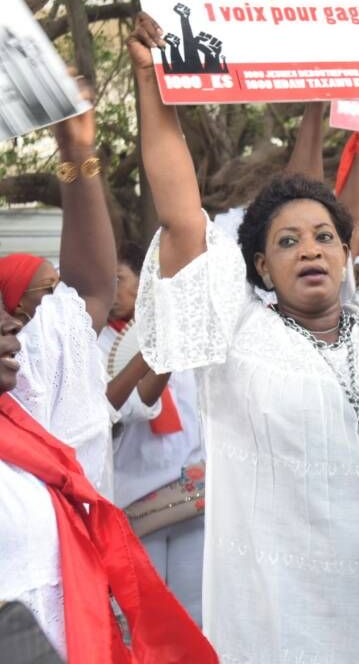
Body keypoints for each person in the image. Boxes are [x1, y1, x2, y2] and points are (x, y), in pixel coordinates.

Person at [127, 10, 359, 663]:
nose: (309, 251)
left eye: (323, 237)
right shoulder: (238, 331)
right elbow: (180, 218)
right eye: (287, 242)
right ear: (260, 266)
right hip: (285, 623)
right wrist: (153, 86)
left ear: (347, 252)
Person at [0, 79, 212, 661]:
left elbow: (88, 287)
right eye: (35, 295)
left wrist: (76, 149)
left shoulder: (39, 353)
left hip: (87, 609)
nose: (12, 329)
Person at [100, 241, 206, 625]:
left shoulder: (188, 335)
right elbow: (122, 412)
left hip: (191, 492)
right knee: (144, 612)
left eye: (120, 280)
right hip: (134, 499)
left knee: (193, 608)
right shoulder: (97, 344)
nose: (112, 293)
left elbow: (200, 412)